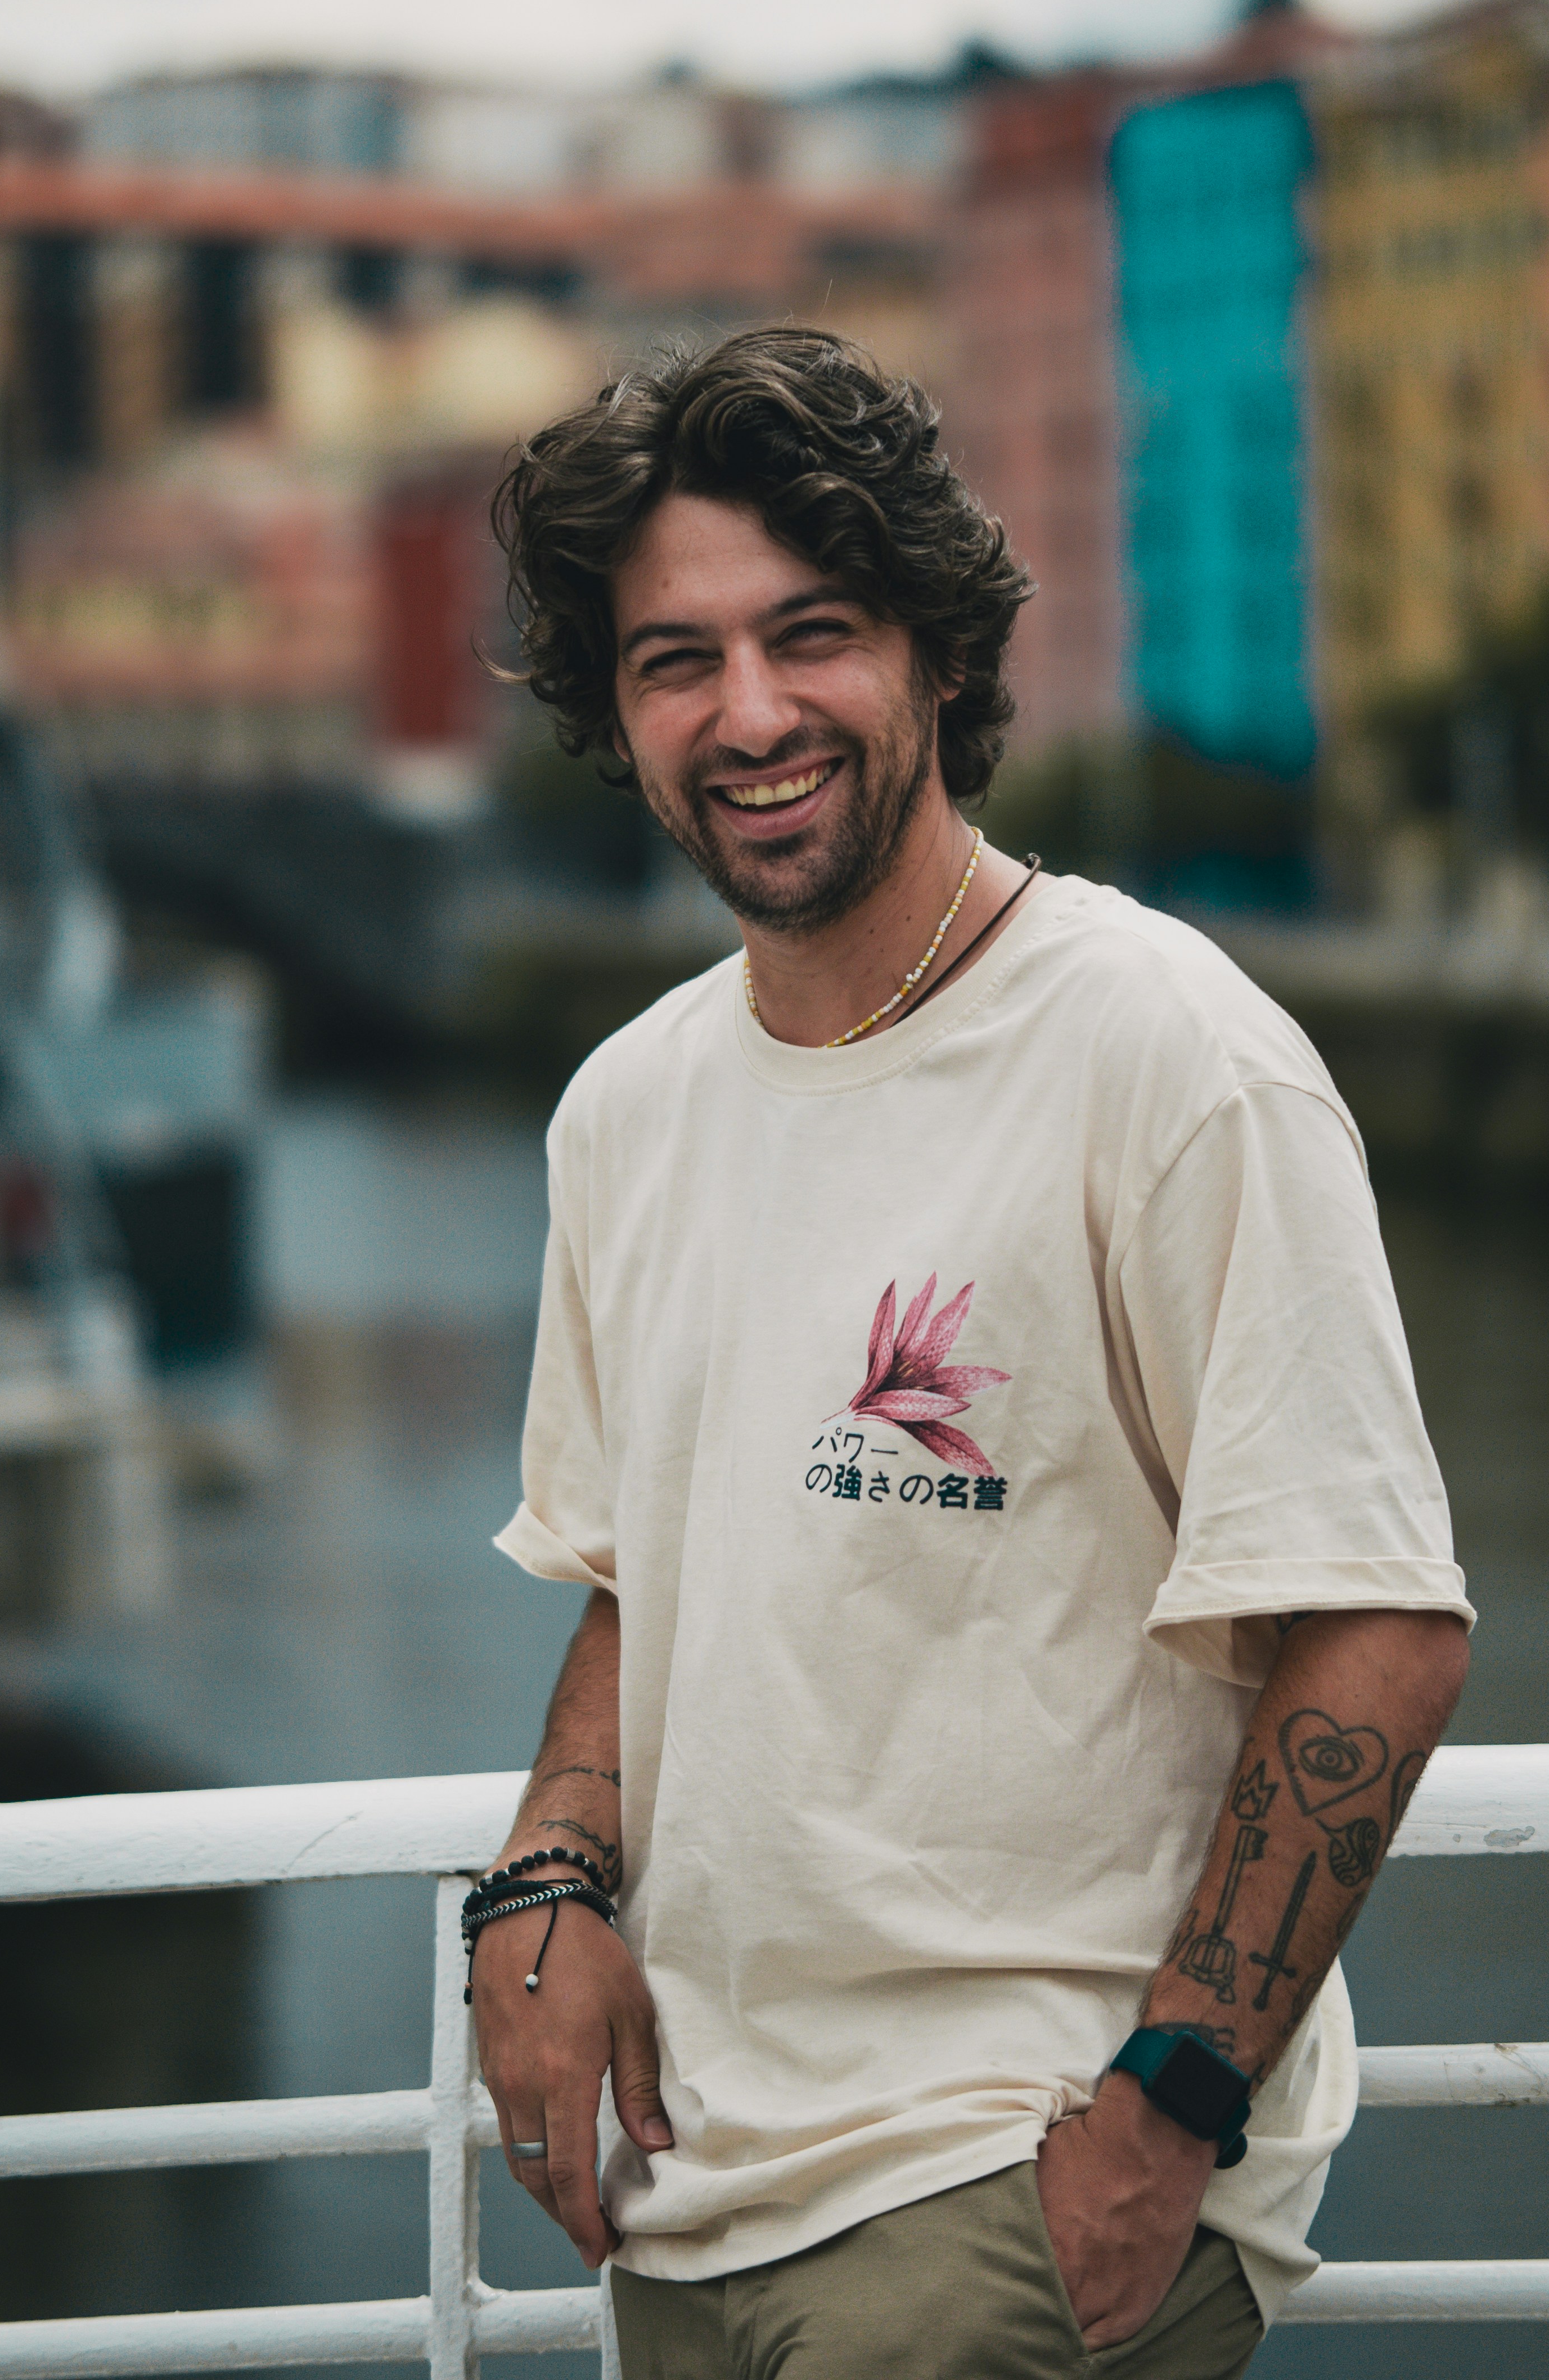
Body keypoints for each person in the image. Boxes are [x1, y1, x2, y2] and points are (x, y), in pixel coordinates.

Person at [471, 327, 1471, 2378]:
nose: (752, 713)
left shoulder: (1165, 1057)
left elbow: (1380, 1620)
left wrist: (1169, 2108)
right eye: (675, 660)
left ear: (935, 651)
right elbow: (643, 1580)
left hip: (1007, 2183)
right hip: (693, 2184)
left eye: (810, 634)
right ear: (617, 711)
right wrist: (545, 1877)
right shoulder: (626, 1111)